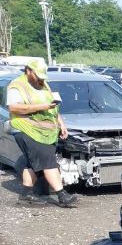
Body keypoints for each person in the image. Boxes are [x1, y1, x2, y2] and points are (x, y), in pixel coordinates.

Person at [5, 58, 78, 207]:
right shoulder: (16, 86)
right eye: (38, 75)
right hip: (27, 128)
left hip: (46, 131)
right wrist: (41, 106)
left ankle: (26, 194)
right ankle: (62, 195)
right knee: (48, 160)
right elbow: (13, 108)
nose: (40, 79)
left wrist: (61, 125)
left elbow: (53, 107)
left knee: (31, 163)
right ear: (29, 71)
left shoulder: (44, 85)